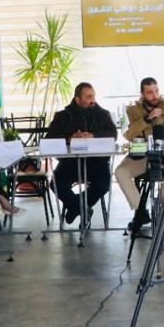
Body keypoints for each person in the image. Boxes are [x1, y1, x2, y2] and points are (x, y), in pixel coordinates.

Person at [45, 82, 117, 224]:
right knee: (56, 184)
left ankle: (76, 208)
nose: (93, 100)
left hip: (97, 162)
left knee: (103, 184)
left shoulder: (103, 114)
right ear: (77, 100)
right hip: (70, 163)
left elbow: (113, 134)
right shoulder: (62, 116)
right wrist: (69, 138)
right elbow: (49, 139)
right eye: (89, 97)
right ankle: (83, 208)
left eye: (93, 96)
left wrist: (93, 136)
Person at [114, 77, 164, 230]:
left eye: (156, 91)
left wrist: (146, 130)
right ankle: (141, 212)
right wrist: (147, 119)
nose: (155, 95)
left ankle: (162, 214)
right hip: (141, 155)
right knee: (120, 172)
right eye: (150, 92)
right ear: (142, 93)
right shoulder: (131, 110)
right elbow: (128, 134)